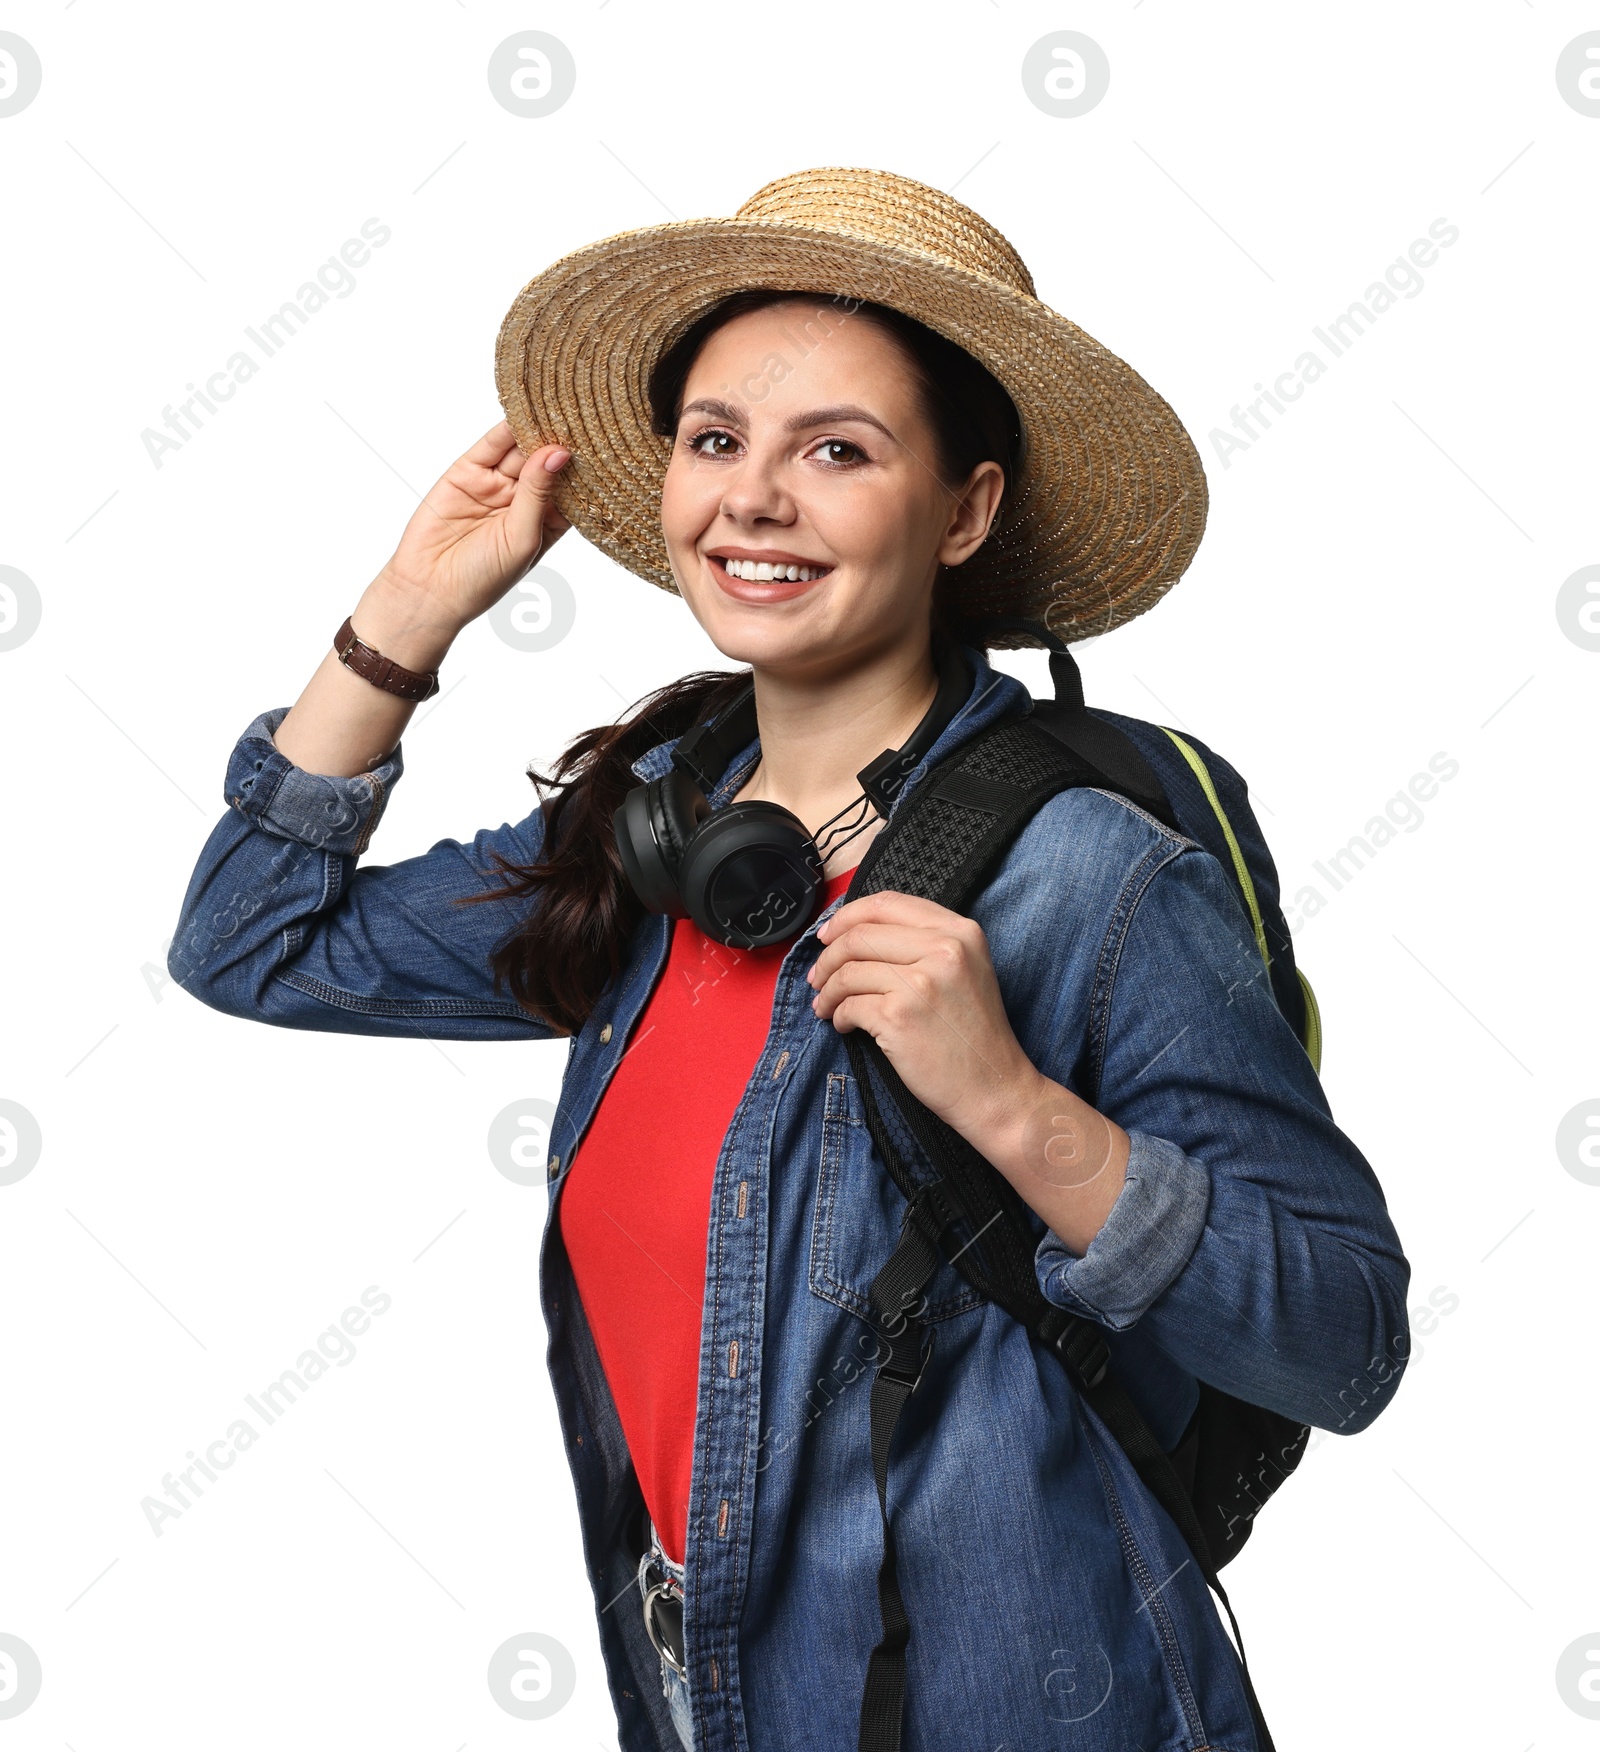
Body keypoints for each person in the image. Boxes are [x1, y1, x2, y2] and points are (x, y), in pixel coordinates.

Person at [169, 168, 1410, 1752]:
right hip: (714, 1693)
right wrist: (405, 619)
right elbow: (249, 943)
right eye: (714, 441)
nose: (752, 499)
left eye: (837, 449)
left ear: (963, 511)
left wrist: (1020, 1108)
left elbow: (1346, 1339)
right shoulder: (655, 842)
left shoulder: (1092, 873)